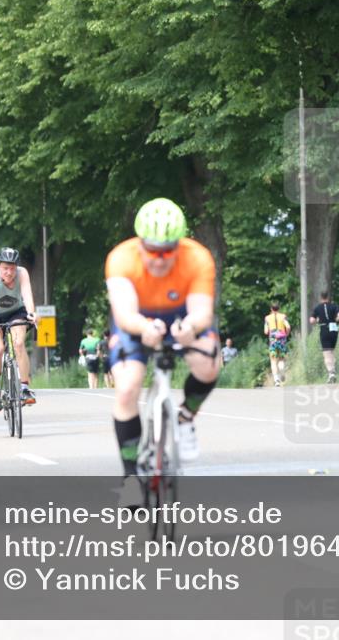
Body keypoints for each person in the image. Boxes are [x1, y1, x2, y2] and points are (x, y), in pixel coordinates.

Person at [106, 197, 219, 473]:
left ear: (178, 246)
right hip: (136, 317)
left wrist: (190, 328)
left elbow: (202, 311)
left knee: (208, 365)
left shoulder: (198, 258)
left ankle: (185, 417)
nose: (159, 260)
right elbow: (124, 313)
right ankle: (131, 477)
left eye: (167, 252)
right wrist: (144, 327)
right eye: (152, 251)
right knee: (127, 388)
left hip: (181, 313)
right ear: (140, 243)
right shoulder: (121, 258)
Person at [0, 247, 39, 411]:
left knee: (18, 344)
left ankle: (25, 388)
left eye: (12, 268)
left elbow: (27, 295)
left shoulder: (22, 273)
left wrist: (32, 313)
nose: (9, 272)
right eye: (5, 268)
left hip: (16, 313)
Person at [309, 291, 339, 383]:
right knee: (331, 351)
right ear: (328, 297)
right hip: (333, 329)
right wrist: (335, 320)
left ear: (320, 297)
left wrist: (317, 321)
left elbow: (311, 320)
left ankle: (331, 373)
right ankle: (333, 371)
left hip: (324, 329)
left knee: (327, 353)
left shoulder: (317, 308)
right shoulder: (334, 306)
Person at [264, 303, 291, 386]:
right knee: (281, 358)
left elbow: (265, 331)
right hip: (282, 339)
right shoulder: (283, 316)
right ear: (278, 309)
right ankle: (282, 371)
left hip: (273, 340)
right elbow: (288, 326)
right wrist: (286, 334)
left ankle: (276, 380)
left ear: (271, 309)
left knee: (273, 360)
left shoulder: (267, 318)